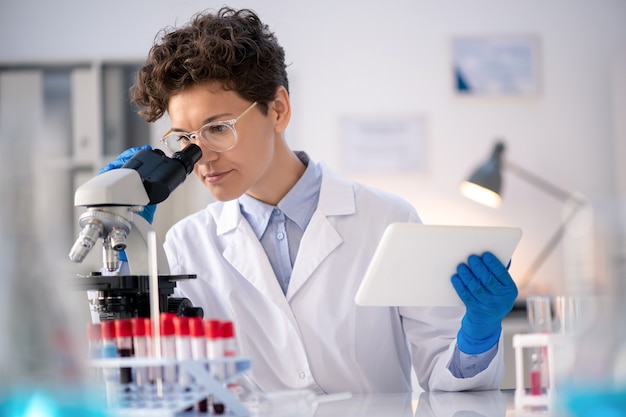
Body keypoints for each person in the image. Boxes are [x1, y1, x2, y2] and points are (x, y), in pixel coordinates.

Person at [103, 7, 518, 394]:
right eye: (186, 139)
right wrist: (125, 255)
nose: (201, 157)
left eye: (217, 128)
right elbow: (168, 382)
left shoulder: (387, 220)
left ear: (278, 110)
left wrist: (478, 335)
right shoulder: (187, 244)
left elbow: (444, 378)